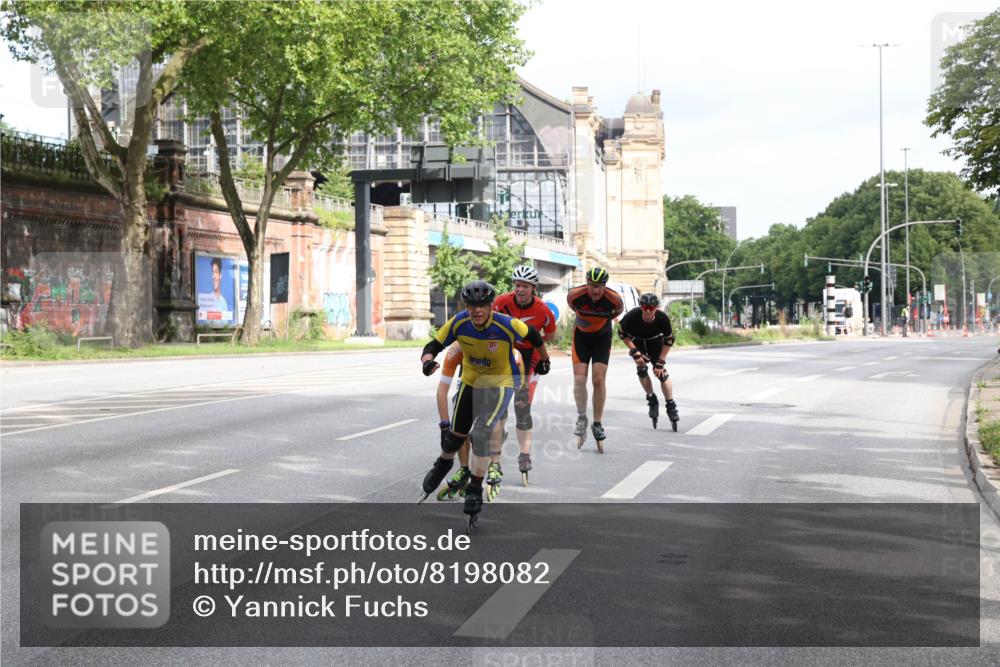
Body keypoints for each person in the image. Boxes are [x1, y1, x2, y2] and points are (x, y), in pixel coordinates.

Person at [419, 280, 551, 528]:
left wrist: (545, 360)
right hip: (471, 382)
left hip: (501, 383)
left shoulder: (507, 324)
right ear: (466, 306)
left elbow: (535, 337)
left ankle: (474, 488)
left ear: (491, 305)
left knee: (480, 433)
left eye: (482, 306)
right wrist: (427, 361)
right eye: (471, 306)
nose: (477, 311)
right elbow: (433, 345)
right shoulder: (459, 322)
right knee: (454, 438)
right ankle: (443, 463)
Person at [492, 265, 558, 487]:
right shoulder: (501, 302)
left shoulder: (543, 310)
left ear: (534, 288)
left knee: (522, 407)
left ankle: (524, 454)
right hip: (505, 355)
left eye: (525, 286)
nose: (520, 289)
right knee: (498, 407)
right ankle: (495, 455)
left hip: (530, 357)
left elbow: (550, 334)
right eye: (517, 285)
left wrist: (541, 355)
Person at [566, 266, 624, 452]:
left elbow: (617, 312)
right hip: (581, 337)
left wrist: (599, 322)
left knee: (598, 380)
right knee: (579, 379)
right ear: (587, 283)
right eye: (592, 285)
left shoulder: (614, 299)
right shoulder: (575, 295)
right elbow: (572, 307)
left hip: (602, 337)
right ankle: (582, 417)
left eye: (599, 286)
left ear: (605, 286)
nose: (595, 290)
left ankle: (597, 423)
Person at [618, 293, 679, 430]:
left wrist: (660, 362)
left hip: (656, 343)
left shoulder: (662, 318)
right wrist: (634, 351)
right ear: (641, 307)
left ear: (656, 308)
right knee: (641, 369)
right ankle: (651, 398)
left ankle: (670, 404)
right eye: (645, 307)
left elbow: (669, 340)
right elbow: (622, 334)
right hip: (638, 342)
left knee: (661, 373)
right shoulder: (632, 316)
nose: (648, 311)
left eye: (651, 308)